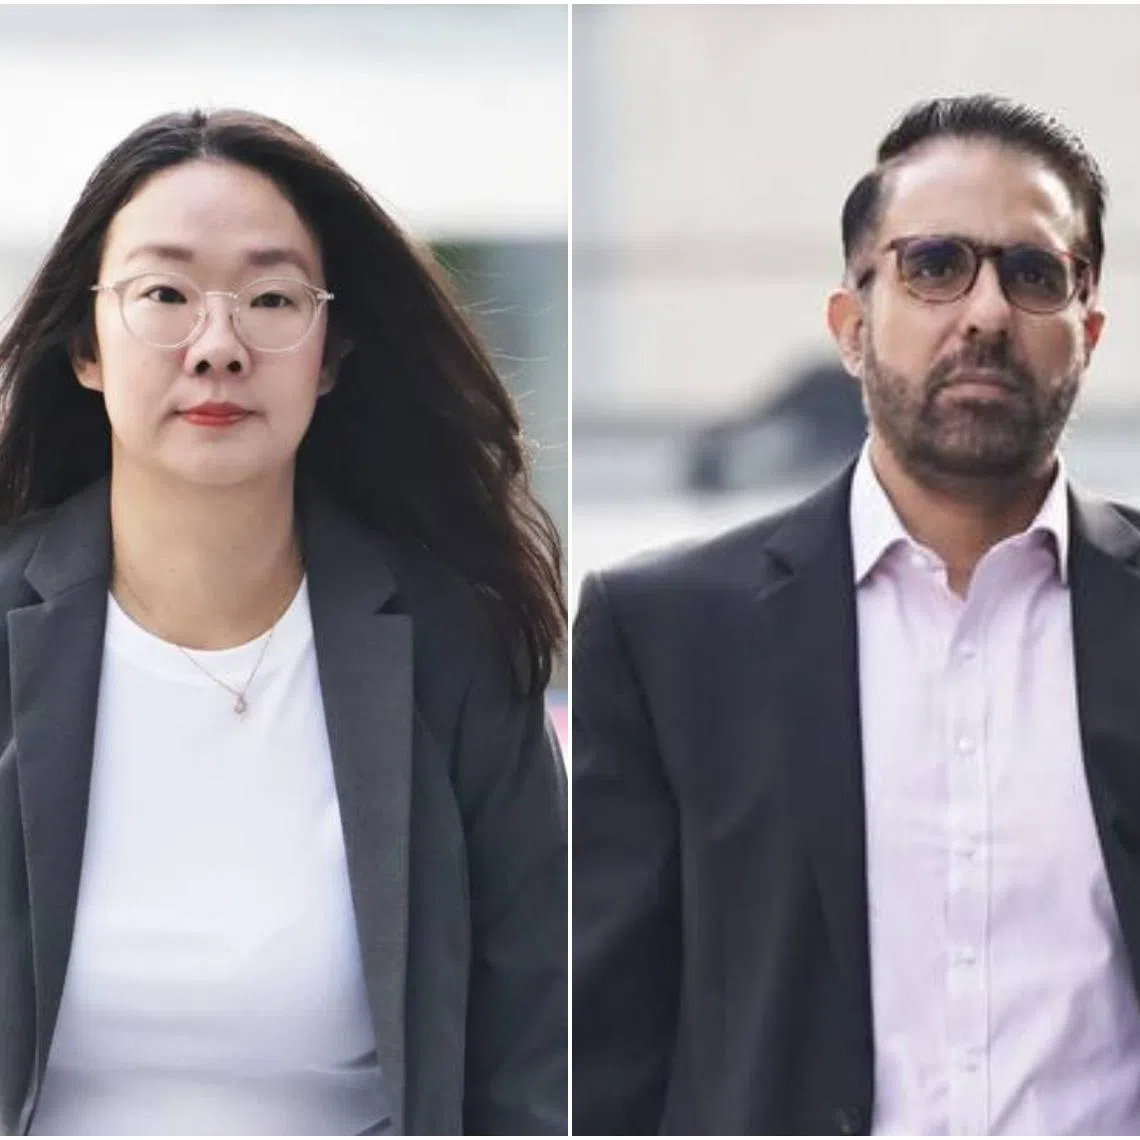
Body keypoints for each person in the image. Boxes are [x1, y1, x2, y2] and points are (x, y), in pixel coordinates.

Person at [573, 94, 1140, 1135]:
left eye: (1032, 274)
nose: (983, 313)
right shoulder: (664, 635)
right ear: (851, 326)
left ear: (1087, 331)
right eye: (934, 265)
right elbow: (605, 1058)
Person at [0, 108, 566, 1136]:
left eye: (270, 299)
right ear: (86, 345)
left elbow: (539, 1060)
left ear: (331, 353)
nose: (217, 347)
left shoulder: (453, 651)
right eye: (164, 294)